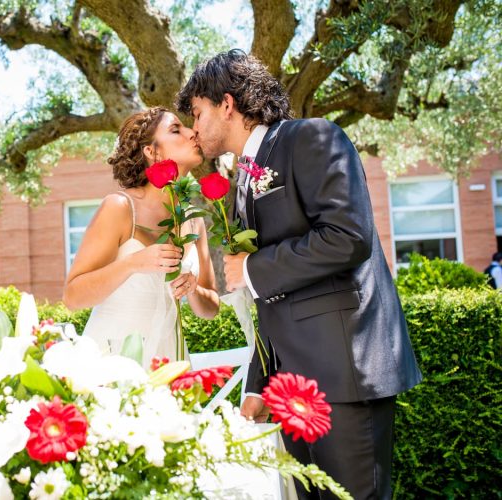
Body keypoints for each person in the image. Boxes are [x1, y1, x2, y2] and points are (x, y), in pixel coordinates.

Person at [176, 49, 422, 499]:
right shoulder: (242, 184)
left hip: (344, 373)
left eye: (197, 113)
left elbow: (348, 237)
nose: (194, 128)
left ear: (227, 104)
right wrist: (259, 384)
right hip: (289, 387)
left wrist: (252, 266)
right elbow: (274, 297)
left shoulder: (313, 137)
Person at [63, 107, 219, 366]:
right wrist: (133, 263)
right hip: (112, 360)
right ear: (151, 151)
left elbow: (211, 308)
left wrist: (193, 289)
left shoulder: (194, 220)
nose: (193, 132)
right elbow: (73, 297)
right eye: (176, 129)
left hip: (169, 362)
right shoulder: (120, 208)